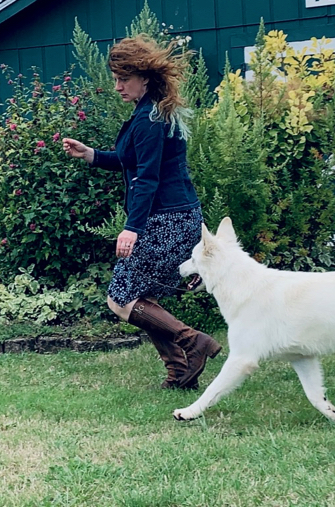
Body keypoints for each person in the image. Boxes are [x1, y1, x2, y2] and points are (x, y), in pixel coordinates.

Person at [62, 34, 221, 390]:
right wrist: (90, 154)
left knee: (121, 298)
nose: (118, 86)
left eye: (124, 79)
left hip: (165, 218)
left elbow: (147, 177)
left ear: (145, 78)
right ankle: (180, 372)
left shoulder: (150, 118)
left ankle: (192, 341)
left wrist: (132, 227)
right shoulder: (150, 111)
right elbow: (129, 160)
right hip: (177, 216)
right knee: (139, 297)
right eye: (116, 78)